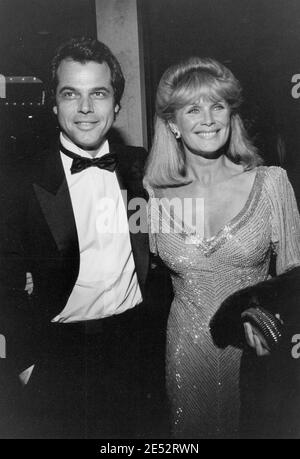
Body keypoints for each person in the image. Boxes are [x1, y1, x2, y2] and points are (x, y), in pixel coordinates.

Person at [0, 37, 151, 439]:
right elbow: (5, 281)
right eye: (71, 94)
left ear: (116, 104)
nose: (85, 108)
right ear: (54, 103)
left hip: (134, 349)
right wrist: (26, 363)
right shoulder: (18, 182)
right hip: (56, 358)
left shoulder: (143, 169)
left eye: (98, 94)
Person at [144, 56, 300, 438]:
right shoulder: (152, 195)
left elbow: (296, 279)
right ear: (172, 125)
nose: (208, 118)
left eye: (218, 105)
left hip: (257, 352)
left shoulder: (271, 183)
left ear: (231, 115)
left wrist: (266, 322)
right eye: (192, 109)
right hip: (187, 354)